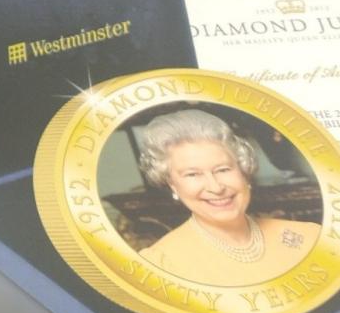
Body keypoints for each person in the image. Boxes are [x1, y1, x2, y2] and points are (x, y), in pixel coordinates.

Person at [136, 108, 320, 285]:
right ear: (172, 185)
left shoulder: (309, 238)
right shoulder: (160, 265)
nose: (216, 187)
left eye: (223, 170)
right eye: (193, 174)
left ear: (244, 171)